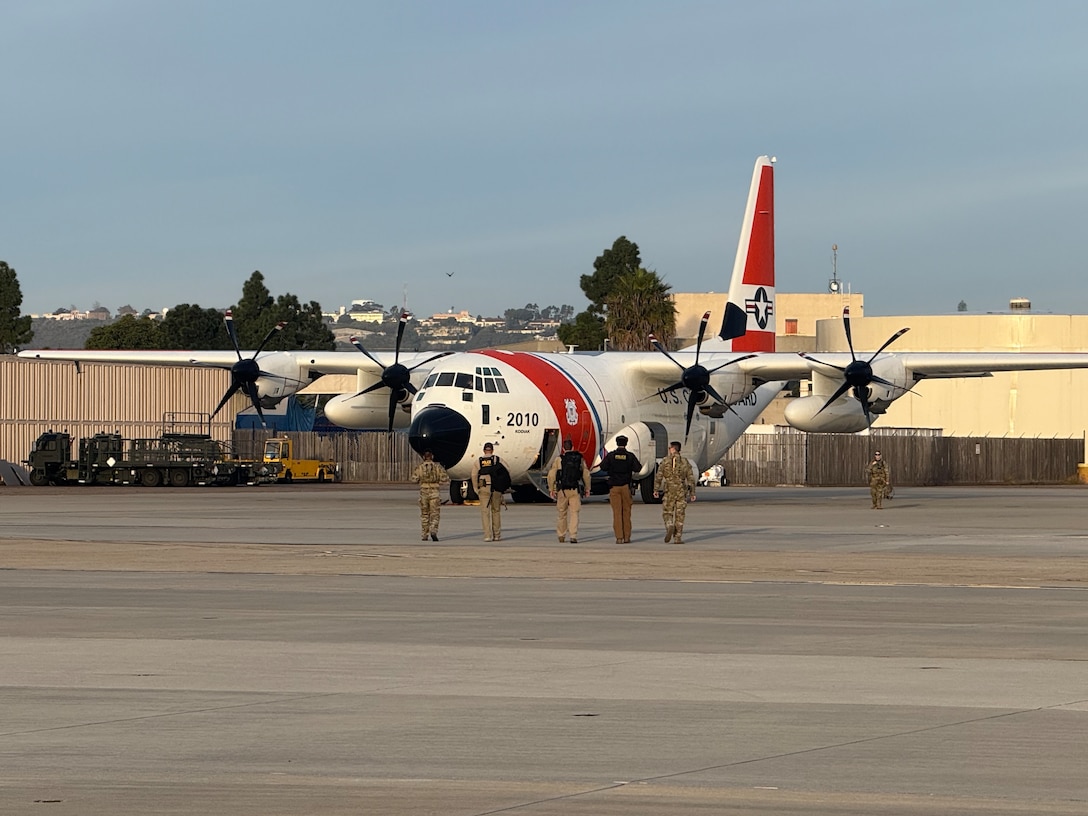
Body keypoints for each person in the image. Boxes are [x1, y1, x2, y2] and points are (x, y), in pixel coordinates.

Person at [599, 435, 642, 544]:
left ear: (617, 443)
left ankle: (619, 537)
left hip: (614, 487)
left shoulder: (611, 456)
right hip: (625, 487)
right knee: (626, 512)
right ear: (626, 443)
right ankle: (627, 537)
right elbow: (638, 468)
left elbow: (603, 467)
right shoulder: (630, 456)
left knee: (617, 513)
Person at [547, 439, 591, 543]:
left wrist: (551, 489)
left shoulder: (559, 459)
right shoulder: (579, 458)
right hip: (574, 489)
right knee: (574, 513)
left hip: (562, 490)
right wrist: (587, 488)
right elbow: (586, 474)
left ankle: (561, 535)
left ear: (563, 448)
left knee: (562, 513)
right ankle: (573, 535)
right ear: (572, 447)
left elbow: (551, 475)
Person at [653, 441, 697, 543]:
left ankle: (669, 525)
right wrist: (692, 493)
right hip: (681, 490)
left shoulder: (665, 461)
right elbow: (690, 478)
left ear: (672, 449)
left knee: (667, 511)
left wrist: (656, 489)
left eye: (670, 448)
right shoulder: (685, 462)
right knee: (680, 514)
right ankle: (678, 537)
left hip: (669, 490)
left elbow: (659, 476)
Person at [409, 449, 449, 541]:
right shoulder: (437, 467)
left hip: (424, 492)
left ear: (424, 457)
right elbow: (444, 478)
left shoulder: (420, 468)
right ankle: (433, 530)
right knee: (435, 514)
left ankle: (424, 534)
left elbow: (414, 479)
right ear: (432, 457)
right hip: (434, 492)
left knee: (424, 514)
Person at [470, 442, 504, 541]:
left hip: (484, 488)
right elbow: (507, 469)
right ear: (492, 450)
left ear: (484, 451)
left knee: (485, 512)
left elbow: (473, 475)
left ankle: (487, 535)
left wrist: (476, 488)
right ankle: (497, 535)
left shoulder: (478, 462)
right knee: (496, 511)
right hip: (496, 488)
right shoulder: (497, 460)